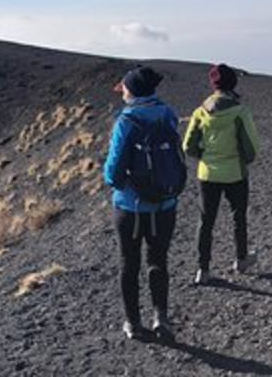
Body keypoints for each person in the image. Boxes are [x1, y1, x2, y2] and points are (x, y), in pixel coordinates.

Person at [103, 66, 180, 340]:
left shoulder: (126, 121)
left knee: (129, 263)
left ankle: (133, 323)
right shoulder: (168, 115)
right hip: (165, 205)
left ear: (132, 90)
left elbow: (112, 172)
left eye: (123, 87)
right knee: (158, 260)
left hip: (130, 207)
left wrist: (117, 182)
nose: (122, 92)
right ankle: (161, 317)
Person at [182, 64, 260, 285]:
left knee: (206, 221)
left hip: (207, 174)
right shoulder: (240, 112)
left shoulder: (200, 112)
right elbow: (252, 146)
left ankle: (202, 269)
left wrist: (205, 158)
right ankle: (241, 259)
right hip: (235, 172)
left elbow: (188, 145)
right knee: (239, 217)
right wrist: (243, 159)